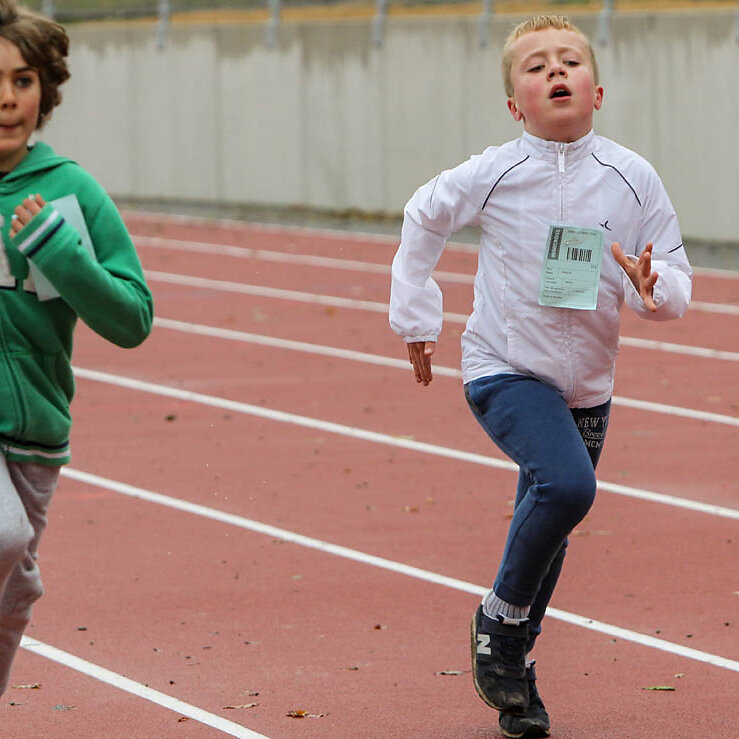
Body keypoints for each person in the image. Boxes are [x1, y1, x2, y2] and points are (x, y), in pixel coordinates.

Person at [389, 15, 691, 739]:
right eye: (535, 65)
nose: (555, 71)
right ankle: (497, 623)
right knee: (567, 487)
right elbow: (423, 216)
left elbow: (674, 275)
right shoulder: (495, 172)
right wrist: (416, 313)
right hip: (505, 368)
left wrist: (652, 290)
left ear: (597, 92)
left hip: (587, 384)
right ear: (513, 105)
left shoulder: (632, 177)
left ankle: (515, 675)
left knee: (551, 522)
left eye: (569, 61)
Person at [0, 0, 153, 696]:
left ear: (45, 90)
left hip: (35, 429)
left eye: (23, 80)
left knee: (13, 596)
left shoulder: (71, 190)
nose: (8, 98)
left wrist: (60, 252)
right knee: (3, 539)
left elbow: (132, 319)